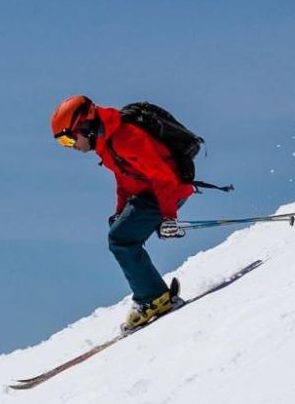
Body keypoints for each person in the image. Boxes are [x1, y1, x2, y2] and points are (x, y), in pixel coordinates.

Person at [50, 94, 194, 331]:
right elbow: (125, 180)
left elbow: (163, 177)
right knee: (120, 234)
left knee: (120, 240)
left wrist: (169, 216)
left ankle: (154, 298)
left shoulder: (125, 138)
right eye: (63, 143)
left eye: (68, 139)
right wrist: (120, 211)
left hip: (167, 191)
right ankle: (153, 295)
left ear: (84, 127)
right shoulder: (106, 142)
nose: (71, 146)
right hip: (152, 194)